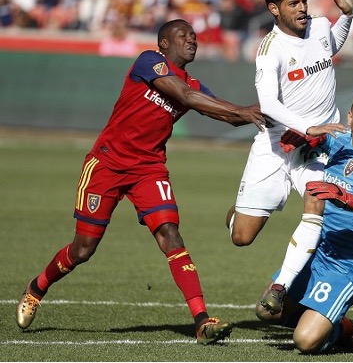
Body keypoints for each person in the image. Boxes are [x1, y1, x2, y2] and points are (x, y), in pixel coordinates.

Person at [15, 19, 266, 344]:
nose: (192, 39)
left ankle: (202, 320)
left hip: (149, 169)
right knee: (83, 249)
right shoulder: (149, 61)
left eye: (194, 36)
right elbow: (187, 97)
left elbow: (227, 115)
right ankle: (37, 288)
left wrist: (264, 115)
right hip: (107, 163)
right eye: (183, 35)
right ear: (163, 43)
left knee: (170, 234)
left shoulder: (195, 84)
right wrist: (244, 111)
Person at [225, 0, 353, 311]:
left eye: (304, 1)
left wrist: (348, 14)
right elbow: (268, 105)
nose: (301, 9)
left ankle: (279, 288)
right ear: (274, 8)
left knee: (318, 204)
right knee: (242, 237)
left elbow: (331, 46)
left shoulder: (321, 26)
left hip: (316, 149)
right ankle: (237, 214)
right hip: (276, 146)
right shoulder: (270, 50)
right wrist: (310, 126)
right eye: (292, 4)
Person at [255, 89, 353, 354]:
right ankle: (324, 316)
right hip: (319, 250)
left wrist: (349, 198)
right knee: (266, 312)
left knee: (304, 341)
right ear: (350, 118)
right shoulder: (341, 138)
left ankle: (339, 330)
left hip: (351, 265)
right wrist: (306, 139)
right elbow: (322, 139)